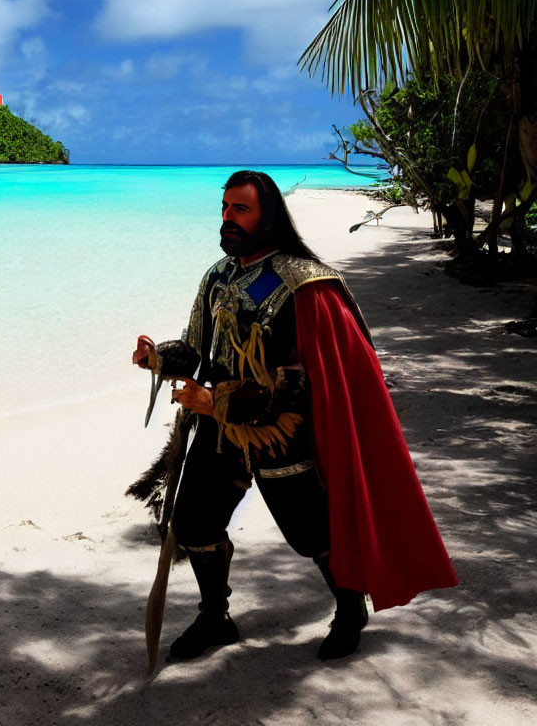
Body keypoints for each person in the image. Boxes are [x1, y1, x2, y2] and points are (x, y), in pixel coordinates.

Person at [131, 170, 457, 662]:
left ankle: (350, 610)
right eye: (224, 208)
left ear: (269, 217)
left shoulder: (304, 285)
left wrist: (215, 401)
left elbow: (296, 386)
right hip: (219, 430)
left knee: (313, 534)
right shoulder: (218, 276)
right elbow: (197, 350)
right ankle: (215, 616)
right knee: (195, 523)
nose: (228, 218)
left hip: (280, 434)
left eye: (240, 209)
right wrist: (158, 358)